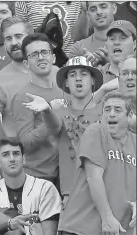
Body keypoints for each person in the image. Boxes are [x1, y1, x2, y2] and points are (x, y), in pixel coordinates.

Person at [57, 91, 136, 235]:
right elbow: (94, 177)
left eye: (118, 110)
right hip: (79, 231)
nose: (111, 114)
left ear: (129, 116)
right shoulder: (96, 131)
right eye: (107, 109)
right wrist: (107, 217)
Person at [0, 137, 61, 235]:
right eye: (6, 155)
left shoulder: (45, 188)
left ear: (23, 159)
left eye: (16, 154)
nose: (12, 159)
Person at [10, 33, 63, 183]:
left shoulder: (63, 90)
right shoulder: (23, 96)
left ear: (53, 58)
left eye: (44, 52)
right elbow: (25, 143)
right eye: (34, 54)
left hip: (64, 173)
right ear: (26, 64)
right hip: (37, 177)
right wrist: (50, 115)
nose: (40, 57)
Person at [53, 56, 104, 203]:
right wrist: (47, 110)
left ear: (93, 80)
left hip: (105, 189)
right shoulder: (57, 113)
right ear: (66, 83)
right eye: (73, 75)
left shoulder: (107, 113)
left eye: (84, 74)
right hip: (71, 194)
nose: (78, 79)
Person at [0, 17, 33, 136]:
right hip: (19, 151)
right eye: (8, 39)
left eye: (18, 36)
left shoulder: (53, 72)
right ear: (4, 44)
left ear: (31, 38)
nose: (14, 43)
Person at [15, 1, 81, 55]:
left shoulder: (78, 3)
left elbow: (83, 35)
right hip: (38, 60)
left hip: (70, 61)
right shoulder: (24, 2)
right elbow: (22, 36)